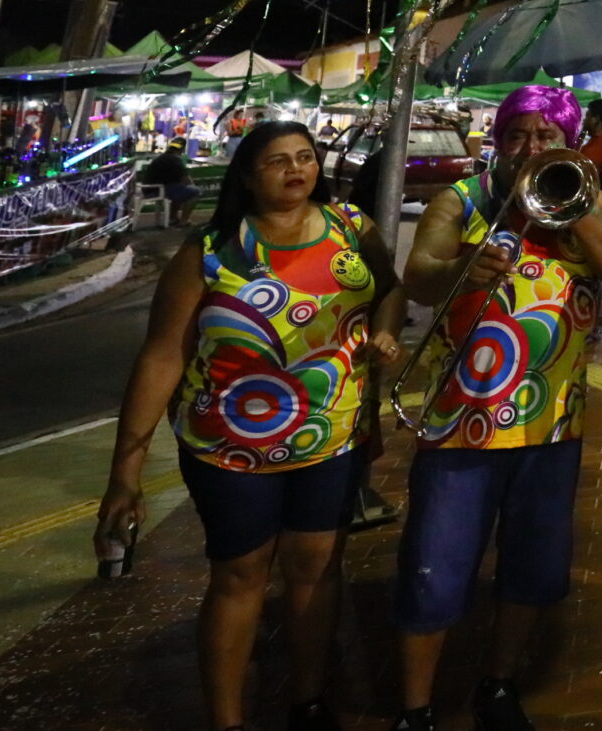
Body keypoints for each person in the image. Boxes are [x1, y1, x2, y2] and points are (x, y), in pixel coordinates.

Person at [97, 122, 398, 731]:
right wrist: (124, 471)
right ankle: (227, 719)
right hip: (229, 447)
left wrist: (386, 328)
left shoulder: (351, 229)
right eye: (278, 161)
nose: (297, 170)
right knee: (239, 576)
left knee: (316, 569)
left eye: (306, 158)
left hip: (331, 438)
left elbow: (389, 289)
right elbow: (162, 356)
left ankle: (308, 700)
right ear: (246, 175)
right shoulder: (210, 250)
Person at [381, 83, 602, 731]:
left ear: (569, 145)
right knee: (433, 571)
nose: (530, 148)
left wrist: (568, 201)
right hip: (459, 423)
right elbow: (418, 273)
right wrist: (464, 267)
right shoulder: (463, 200)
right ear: (497, 143)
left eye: (546, 137)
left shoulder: (593, 202)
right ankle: (415, 708)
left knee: (532, 566)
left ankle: (497, 684)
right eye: (518, 136)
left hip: (551, 423)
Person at [142, 139, 202, 227]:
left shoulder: (162, 157)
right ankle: (183, 221)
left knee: (179, 190)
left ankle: (172, 218)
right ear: (182, 149)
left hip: (150, 189)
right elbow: (185, 180)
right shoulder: (175, 160)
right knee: (195, 192)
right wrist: (191, 184)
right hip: (158, 190)